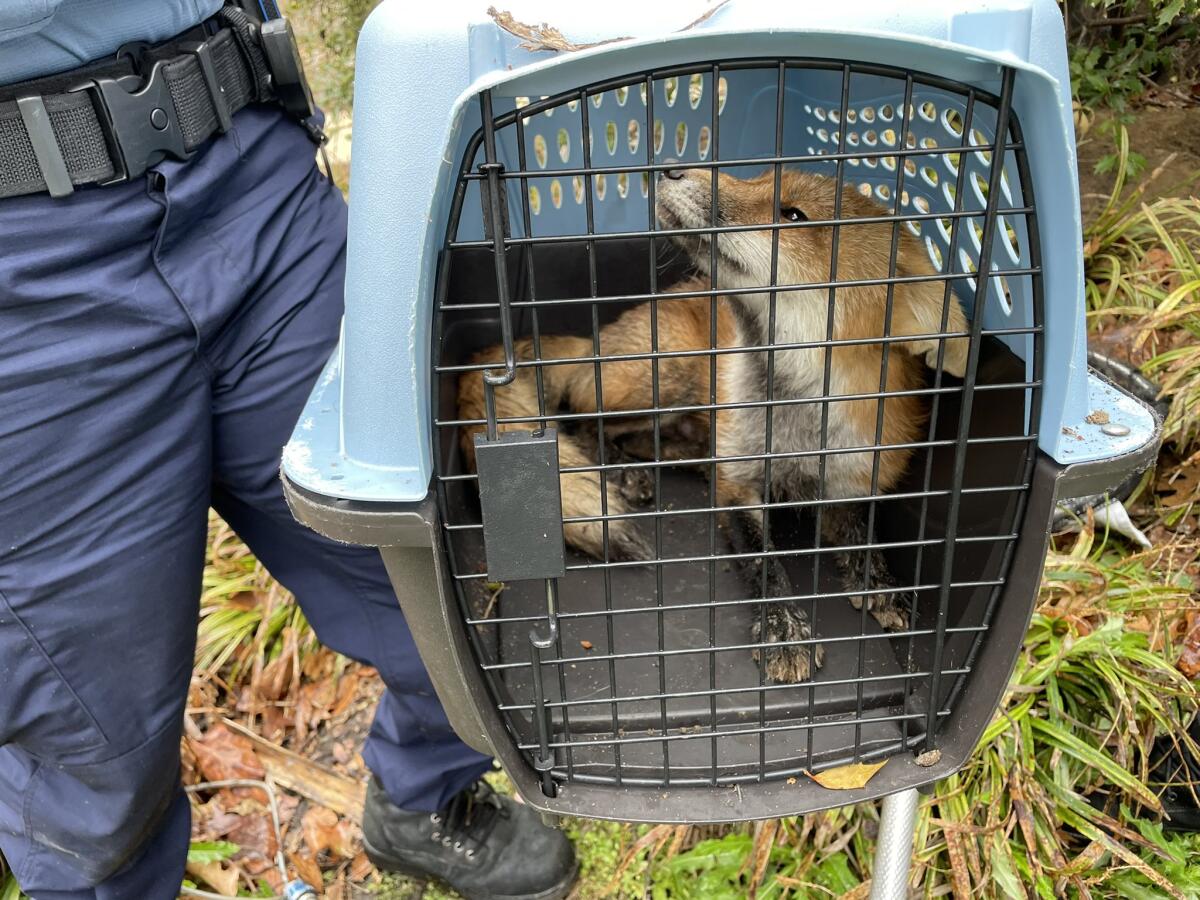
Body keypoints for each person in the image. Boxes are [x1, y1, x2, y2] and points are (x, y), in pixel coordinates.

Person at [0, 2, 577, 898]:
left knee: (474, 564)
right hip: (24, 288)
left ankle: (424, 800)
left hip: (248, 164)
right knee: (97, 757)